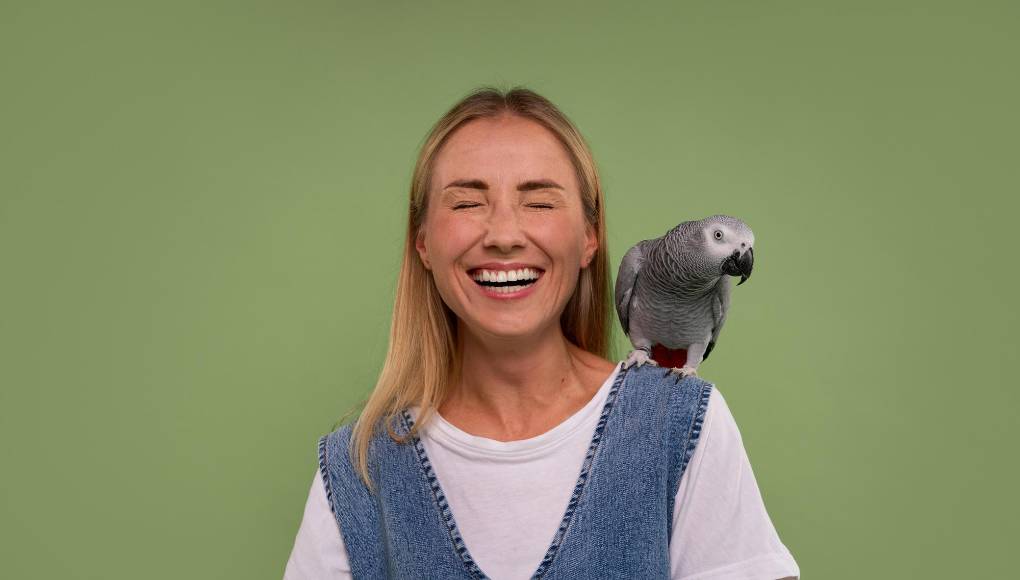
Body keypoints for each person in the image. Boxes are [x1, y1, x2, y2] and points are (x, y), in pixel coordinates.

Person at [283, 86, 800, 580]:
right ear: (423, 244)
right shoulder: (356, 467)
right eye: (466, 203)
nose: (504, 235)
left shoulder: (684, 424)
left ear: (589, 239)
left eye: (540, 203)